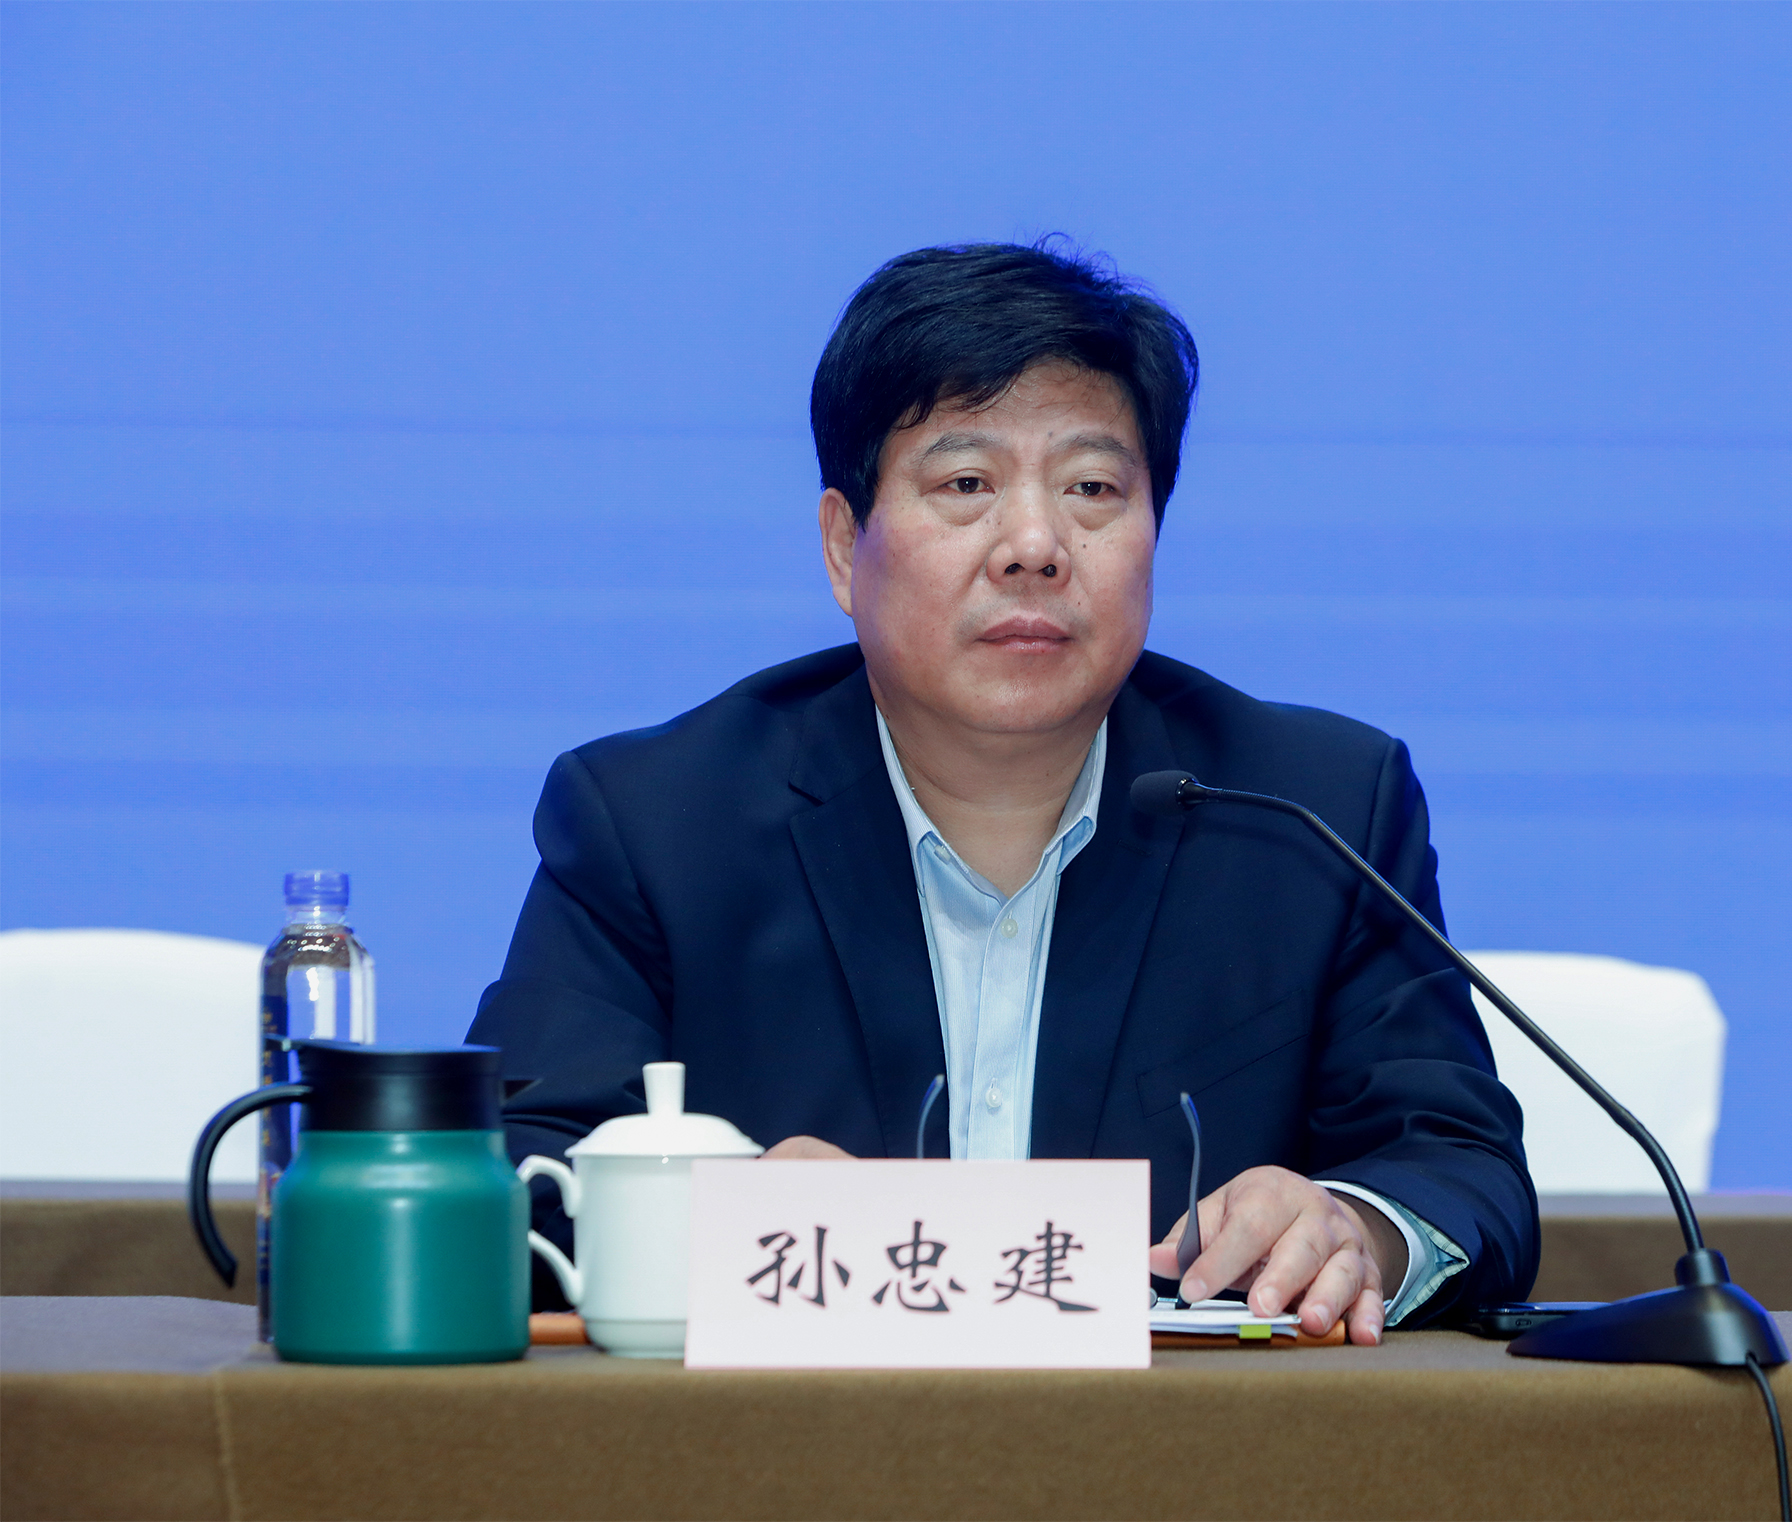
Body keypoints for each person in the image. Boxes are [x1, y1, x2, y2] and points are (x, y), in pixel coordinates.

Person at [469, 241, 1536, 1340]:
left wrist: (1357, 1228)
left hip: (1185, 1442)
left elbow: (1456, 1164)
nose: (1033, 546)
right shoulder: (655, 821)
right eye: (966, 485)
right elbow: (508, 1166)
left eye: (1091, 489)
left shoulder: (1315, 812)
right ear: (842, 547)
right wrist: (715, 1214)